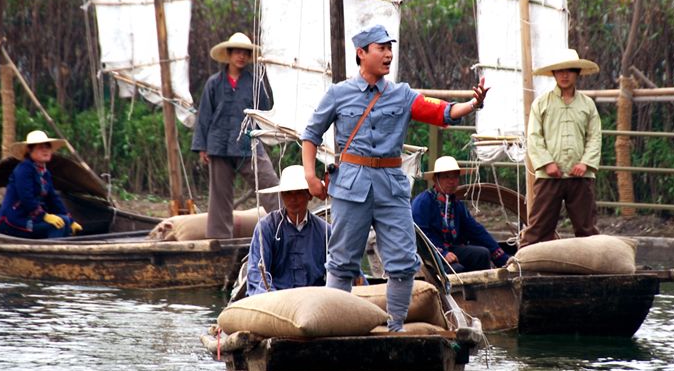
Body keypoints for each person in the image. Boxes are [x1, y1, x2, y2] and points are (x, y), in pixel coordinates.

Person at [301, 24, 489, 331]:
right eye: (381, 48)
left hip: (391, 187)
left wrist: (473, 104)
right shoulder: (339, 93)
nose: (389, 55)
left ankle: (396, 328)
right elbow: (310, 135)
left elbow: (440, 112)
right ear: (362, 54)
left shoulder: (402, 95)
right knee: (342, 263)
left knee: (402, 263)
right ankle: (334, 328)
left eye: (390, 48)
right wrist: (310, 175)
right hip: (351, 187)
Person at [192, 32, 280, 239]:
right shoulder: (214, 83)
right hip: (218, 146)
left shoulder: (255, 83)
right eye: (237, 52)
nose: (241, 56)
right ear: (229, 55)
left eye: (245, 53)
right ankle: (219, 241)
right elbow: (204, 115)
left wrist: (268, 136)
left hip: (248, 145)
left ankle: (288, 225)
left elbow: (265, 112)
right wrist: (202, 147)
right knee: (219, 197)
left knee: (270, 184)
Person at [520, 48, 602, 246]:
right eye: (560, 71)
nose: (565, 75)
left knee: (587, 228)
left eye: (570, 71)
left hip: (580, 175)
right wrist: (547, 163)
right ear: (554, 74)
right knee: (539, 227)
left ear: (577, 73)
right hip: (550, 175)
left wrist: (585, 163)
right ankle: (523, 263)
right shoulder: (542, 103)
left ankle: (593, 268)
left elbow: (595, 137)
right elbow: (534, 136)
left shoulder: (587, 105)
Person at [412, 156, 511, 273]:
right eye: (446, 177)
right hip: (428, 255)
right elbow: (421, 235)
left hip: (451, 249)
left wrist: (502, 257)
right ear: (435, 179)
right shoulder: (422, 202)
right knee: (456, 269)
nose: (451, 181)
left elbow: (476, 230)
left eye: (455, 177)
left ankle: (481, 289)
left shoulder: (457, 205)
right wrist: (442, 253)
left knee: (482, 254)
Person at [246, 165, 331, 296]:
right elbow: (257, 276)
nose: (293, 199)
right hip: (277, 299)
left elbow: (340, 269)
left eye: (298, 193)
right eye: (288, 194)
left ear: (309, 195)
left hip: (316, 300)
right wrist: (274, 299)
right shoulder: (266, 227)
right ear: (281, 195)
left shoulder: (325, 231)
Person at [0, 130, 83, 239]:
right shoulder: (23, 169)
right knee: (55, 227)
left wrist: (71, 221)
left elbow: (53, 199)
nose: (45, 150)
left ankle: (60, 250)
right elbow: (26, 198)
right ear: (29, 150)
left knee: (64, 221)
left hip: (32, 217)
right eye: (40, 147)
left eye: (47, 147)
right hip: (14, 220)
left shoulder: (44, 173)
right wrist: (45, 216)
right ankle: (52, 253)